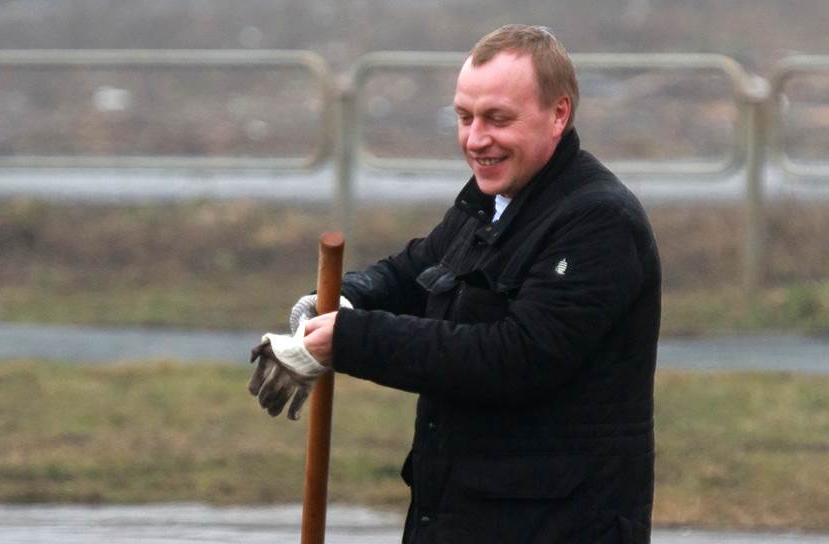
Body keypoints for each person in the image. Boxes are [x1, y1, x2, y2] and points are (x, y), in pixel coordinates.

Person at [250, 24, 661, 543]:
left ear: (559, 114)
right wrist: (335, 303)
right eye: (465, 117)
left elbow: (516, 358)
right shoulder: (494, 200)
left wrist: (350, 339)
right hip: (465, 515)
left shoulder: (598, 221)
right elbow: (418, 272)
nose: (475, 139)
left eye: (498, 119)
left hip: (556, 527)